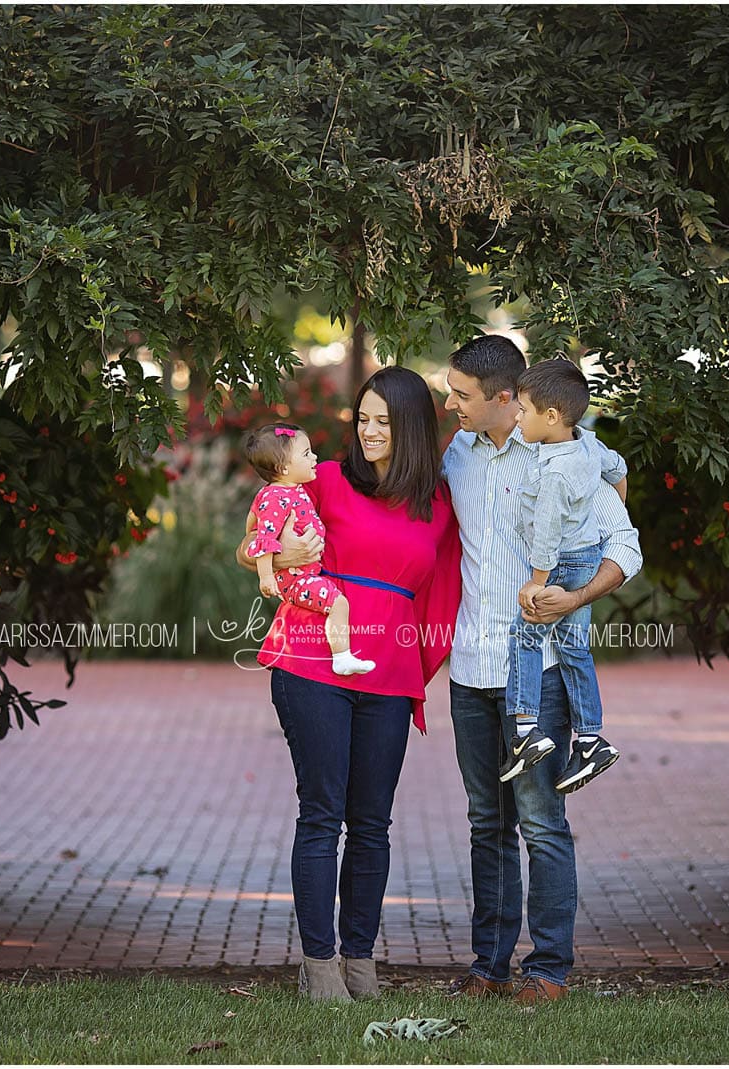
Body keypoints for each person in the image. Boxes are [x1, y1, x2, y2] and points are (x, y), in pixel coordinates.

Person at [234, 366, 461, 1002]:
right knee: (322, 813)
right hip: (312, 662)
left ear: (412, 427)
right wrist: (283, 557)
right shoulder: (325, 480)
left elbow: (441, 594)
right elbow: (251, 544)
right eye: (362, 418)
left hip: (388, 670)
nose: (367, 431)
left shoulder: (439, 508)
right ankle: (320, 967)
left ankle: (360, 962)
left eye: (383, 421)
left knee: (372, 824)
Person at [439, 334, 642, 1004]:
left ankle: (549, 967)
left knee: (541, 821)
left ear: (507, 398)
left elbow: (623, 541)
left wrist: (577, 595)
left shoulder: (565, 453)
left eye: (462, 395)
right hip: (471, 669)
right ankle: (488, 964)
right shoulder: (456, 456)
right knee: (484, 821)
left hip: (543, 669)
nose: (451, 404)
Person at [500, 358, 625, 794]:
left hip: (563, 564)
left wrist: (538, 583)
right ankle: (591, 740)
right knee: (574, 650)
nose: (516, 417)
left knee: (525, 636)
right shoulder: (586, 444)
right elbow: (619, 470)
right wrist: (603, 510)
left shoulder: (553, 475)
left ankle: (525, 730)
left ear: (550, 417)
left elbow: (546, 537)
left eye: (523, 410)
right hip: (588, 557)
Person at [241, 422, 375, 675]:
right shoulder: (276, 497)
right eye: (306, 454)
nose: (314, 457)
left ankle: (342, 655)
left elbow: (251, 522)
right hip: (296, 578)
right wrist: (266, 576)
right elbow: (262, 537)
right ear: (283, 468)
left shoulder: (288, 491)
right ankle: (342, 657)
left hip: (303, 574)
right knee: (338, 603)